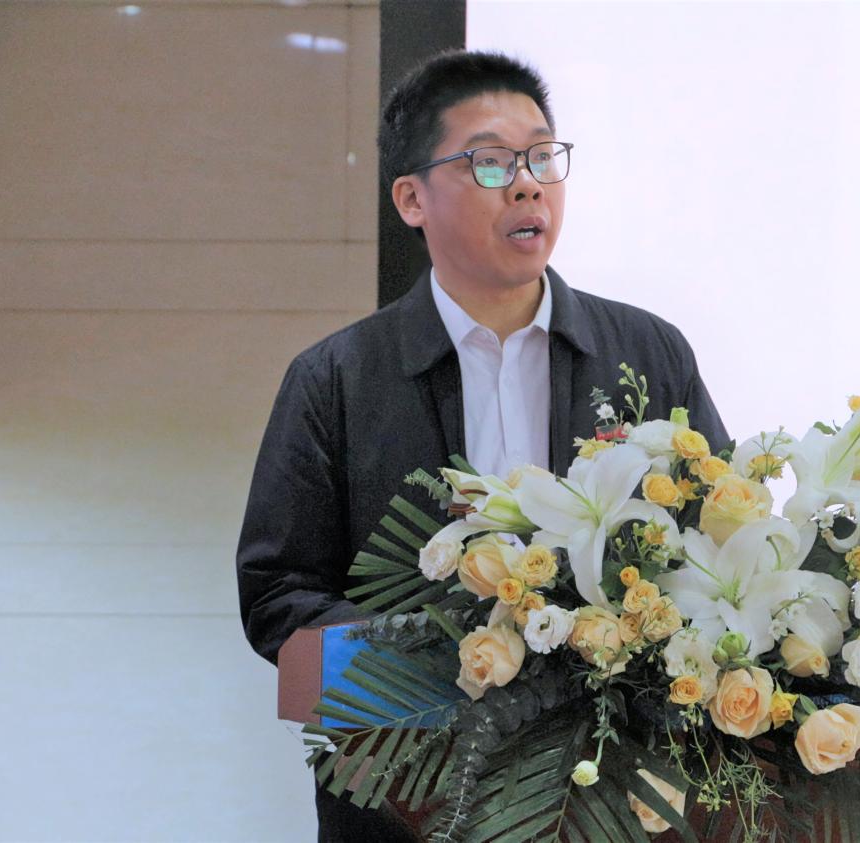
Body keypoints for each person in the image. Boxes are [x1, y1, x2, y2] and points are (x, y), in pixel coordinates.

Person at [236, 50, 729, 842]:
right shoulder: (336, 378)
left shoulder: (646, 352)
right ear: (412, 199)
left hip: (611, 796)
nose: (528, 185)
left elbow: (715, 546)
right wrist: (447, 663)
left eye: (542, 157)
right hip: (408, 798)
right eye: (491, 164)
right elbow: (278, 593)